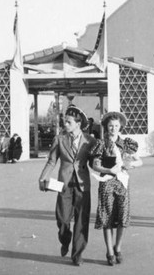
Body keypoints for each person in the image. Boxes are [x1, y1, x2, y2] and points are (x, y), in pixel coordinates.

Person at [38, 106, 97, 266]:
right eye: (65, 122)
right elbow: (51, 161)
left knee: (81, 220)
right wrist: (42, 177)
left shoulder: (90, 141)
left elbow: (94, 163)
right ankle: (65, 240)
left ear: (78, 124)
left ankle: (77, 254)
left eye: (69, 122)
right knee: (63, 218)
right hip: (63, 184)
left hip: (83, 185)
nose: (66, 124)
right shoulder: (59, 139)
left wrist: (110, 170)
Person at [90, 111, 142, 266]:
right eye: (110, 126)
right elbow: (94, 164)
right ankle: (110, 251)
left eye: (116, 126)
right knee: (106, 216)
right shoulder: (101, 144)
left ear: (121, 127)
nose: (113, 128)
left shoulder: (126, 144)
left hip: (122, 183)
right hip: (106, 182)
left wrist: (130, 164)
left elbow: (139, 161)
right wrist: (108, 170)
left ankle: (118, 247)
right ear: (106, 126)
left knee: (122, 215)